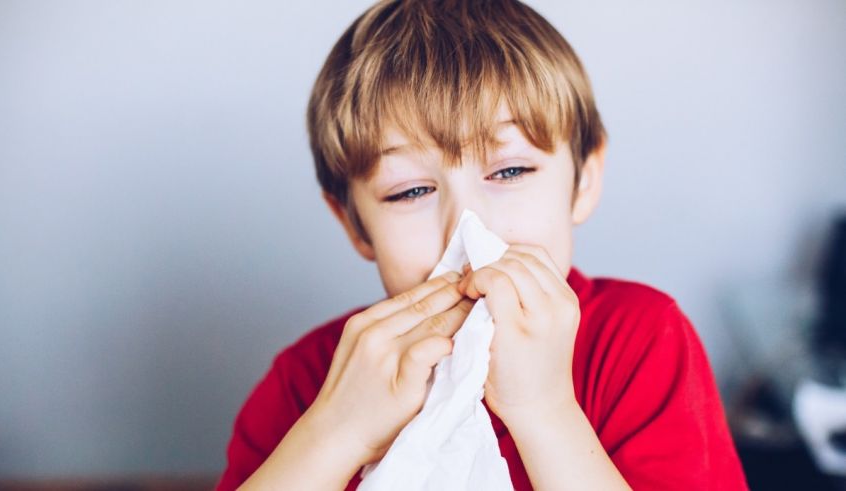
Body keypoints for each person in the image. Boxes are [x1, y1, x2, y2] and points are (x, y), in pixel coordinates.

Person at [216, 0, 748, 489]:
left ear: (583, 180)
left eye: (510, 170)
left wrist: (545, 409)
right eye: (411, 191)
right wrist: (336, 434)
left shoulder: (639, 343)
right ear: (355, 225)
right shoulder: (310, 381)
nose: (466, 231)